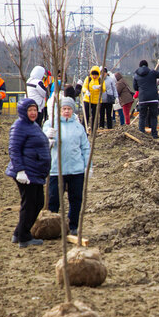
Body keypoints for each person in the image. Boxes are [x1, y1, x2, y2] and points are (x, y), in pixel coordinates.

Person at [5, 99, 51, 248]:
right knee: (30, 204)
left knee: (37, 202)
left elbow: (36, 143)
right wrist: (20, 171)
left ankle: (18, 233)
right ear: (23, 112)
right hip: (26, 172)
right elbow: (14, 149)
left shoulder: (33, 125)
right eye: (30, 110)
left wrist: (47, 142)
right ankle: (24, 237)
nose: (33, 113)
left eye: (34, 110)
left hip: (34, 171)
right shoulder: (19, 126)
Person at [43, 97, 91, 236]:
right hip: (56, 170)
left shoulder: (78, 127)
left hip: (76, 169)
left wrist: (88, 166)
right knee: (54, 199)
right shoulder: (51, 124)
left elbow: (85, 147)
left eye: (69, 109)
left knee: (76, 199)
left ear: (72, 111)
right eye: (64, 109)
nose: (66, 111)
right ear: (59, 110)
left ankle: (73, 225)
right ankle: (52, 226)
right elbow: (41, 145)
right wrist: (47, 138)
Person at [133, 58, 159, 138]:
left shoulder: (136, 75)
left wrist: (141, 88)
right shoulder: (152, 72)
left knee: (142, 116)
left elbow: (135, 88)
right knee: (153, 116)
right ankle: (154, 134)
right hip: (153, 98)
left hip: (142, 99)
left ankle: (141, 134)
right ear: (147, 65)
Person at [82, 66, 104, 131]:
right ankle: (84, 128)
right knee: (86, 115)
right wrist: (86, 91)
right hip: (87, 99)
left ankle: (94, 130)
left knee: (95, 116)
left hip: (96, 101)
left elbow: (104, 89)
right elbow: (84, 87)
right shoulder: (88, 79)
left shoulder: (100, 80)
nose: (94, 76)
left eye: (96, 75)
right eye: (93, 75)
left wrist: (99, 87)